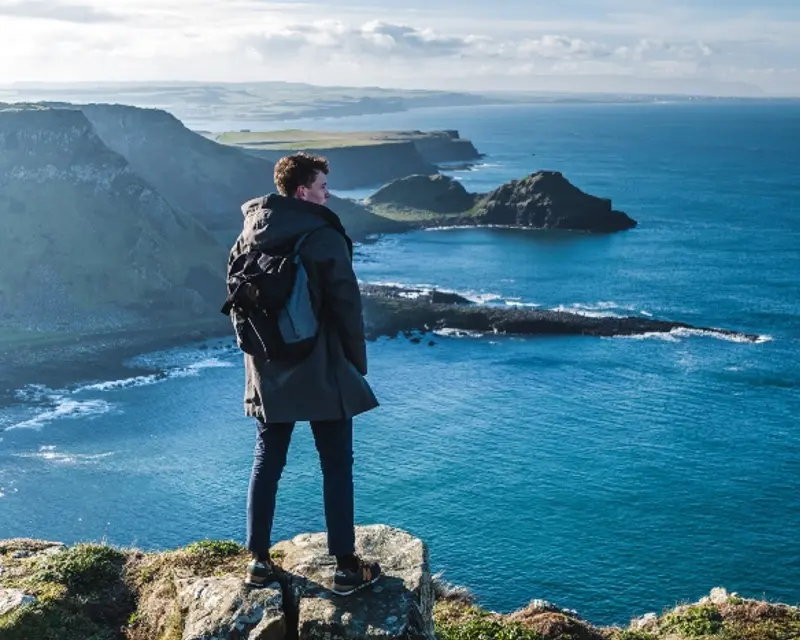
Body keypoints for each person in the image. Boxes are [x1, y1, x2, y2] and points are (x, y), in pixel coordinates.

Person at [230, 152, 381, 596]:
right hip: (321, 367)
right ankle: (346, 568)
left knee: (266, 462)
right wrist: (357, 363)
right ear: (302, 192)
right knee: (336, 465)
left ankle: (257, 562)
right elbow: (346, 306)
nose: (327, 194)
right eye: (321, 187)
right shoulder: (321, 235)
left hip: (266, 365)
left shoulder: (248, 234)